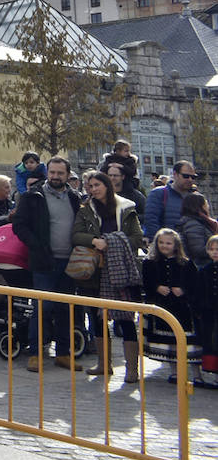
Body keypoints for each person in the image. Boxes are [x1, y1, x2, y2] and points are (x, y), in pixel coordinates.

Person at [71, 169, 144, 380]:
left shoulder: (126, 207)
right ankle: (104, 364)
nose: (93, 190)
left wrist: (112, 242)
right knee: (98, 318)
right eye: (90, 186)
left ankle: (132, 369)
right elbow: (76, 235)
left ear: (107, 185)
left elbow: (137, 237)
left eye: (97, 185)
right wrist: (95, 241)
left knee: (126, 319)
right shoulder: (86, 209)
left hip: (121, 269)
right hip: (96, 270)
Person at [13, 156, 84, 372]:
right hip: (44, 262)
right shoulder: (33, 196)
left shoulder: (74, 197)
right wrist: (36, 246)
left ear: (67, 175)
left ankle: (63, 353)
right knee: (42, 308)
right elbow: (19, 225)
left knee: (65, 309)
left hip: (69, 263)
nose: (55, 176)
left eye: (60, 173)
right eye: (52, 172)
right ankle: (35, 353)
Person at [142, 227, 198, 383]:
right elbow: (146, 282)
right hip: (162, 306)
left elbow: (194, 283)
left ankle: (196, 374)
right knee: (170, 344)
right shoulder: (150, 262)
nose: (164, 246)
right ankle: (174, 372)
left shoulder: (186, 263)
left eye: (168, 243)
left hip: (183, 308)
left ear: (176, 245)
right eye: (161, 242)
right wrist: (156, 287)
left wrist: (184, 290)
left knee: (189, 342)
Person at [143, 161, 199, 239]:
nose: (190, 179)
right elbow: (151, 222)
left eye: (193, 177)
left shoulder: (196, 198)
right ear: (175, 174)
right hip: (166, 246)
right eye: (185, 176)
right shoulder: (158, 194)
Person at [191, 235, 218, 388]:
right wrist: (198, 309)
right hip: (209, 314)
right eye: (211, 249)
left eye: (217, 250)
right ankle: (214, 376)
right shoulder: (204, 270)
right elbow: (198, 292)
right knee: (211, 343)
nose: (214, 252)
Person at [178, 193, 217, 261]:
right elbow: (198, 250)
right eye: (206, 204)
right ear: (201, 206)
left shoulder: (202, 222)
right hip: (201, 265)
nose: (208, 207)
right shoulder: (193, 224)